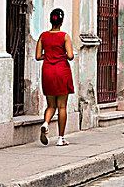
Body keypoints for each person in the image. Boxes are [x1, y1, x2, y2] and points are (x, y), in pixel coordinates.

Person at [35, 8, 75, 146]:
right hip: (62, 71)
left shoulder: (43, 36)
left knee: (51, 105)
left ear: (50, 20)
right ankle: (61, 138)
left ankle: (46, 123)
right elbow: (70, 56)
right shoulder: (65, 36)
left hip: (48, 71)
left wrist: (49, 55)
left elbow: (38, 56)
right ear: (62, 21)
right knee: (62, 106)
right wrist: (61, 54)